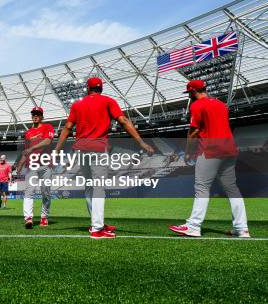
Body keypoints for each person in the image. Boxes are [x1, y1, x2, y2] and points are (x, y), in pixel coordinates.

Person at [54, 77, 154, 239]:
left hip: (80, 149)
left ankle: (96, 221)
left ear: (88, 89)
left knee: (89, 187)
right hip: (98, 148)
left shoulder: (77, 104)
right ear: (101, 88)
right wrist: (141, 143)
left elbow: (67, 127)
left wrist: (57, 150)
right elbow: (123, 121)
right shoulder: (108, 101)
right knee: (99, 187)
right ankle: (97, 228)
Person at [169, 80, 249, 238]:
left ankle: (193, 225)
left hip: (211, 150)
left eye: (189, 93)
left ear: (193, 91)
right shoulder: (220, 104)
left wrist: (187, 152)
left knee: (202, 187)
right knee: (232, 189)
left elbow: (193, 132)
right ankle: (242, 228)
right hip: (229, 149)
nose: (189, 97)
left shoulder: (197, 105)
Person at [15, 107, 54, 228]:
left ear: (42, 116)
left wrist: (32, 148)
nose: (35, 116)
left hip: (45, 164)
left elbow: (48, 141)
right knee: (29, 191)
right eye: (33, 114)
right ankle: (28, 218)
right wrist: (20, 164)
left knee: (45, 192)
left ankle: (44, 217)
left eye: (38, 114)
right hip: (31, 166)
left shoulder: (48, 127)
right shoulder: (28, 133)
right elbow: (26, 151)